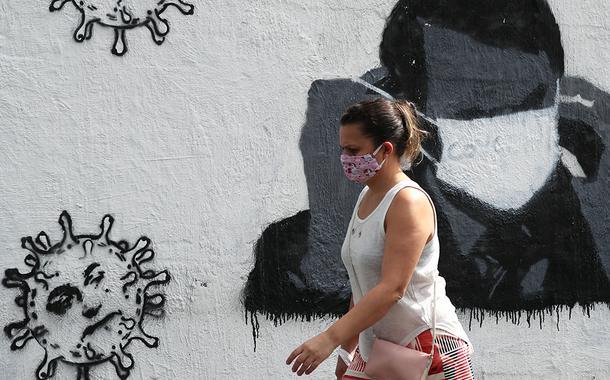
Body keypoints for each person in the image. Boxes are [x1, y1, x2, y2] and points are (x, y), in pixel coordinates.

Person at [286, 98, 474, 379]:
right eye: (343, 149)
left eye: (353, 150)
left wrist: (330, 338)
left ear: (385, 150)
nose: (345, 158)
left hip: (427, 349)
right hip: (379, 347)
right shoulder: (367, 196)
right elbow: (364, 283)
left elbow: (392, 288)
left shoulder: (408, 201)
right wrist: (346, 350)